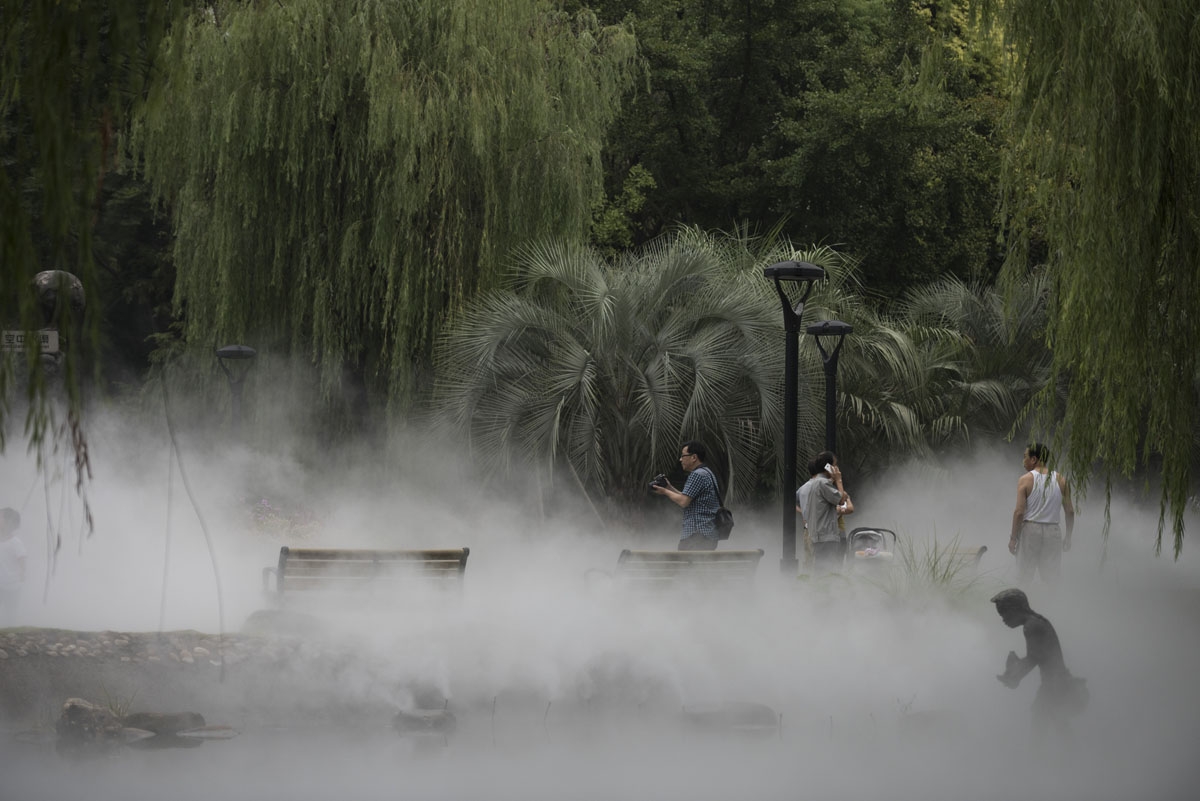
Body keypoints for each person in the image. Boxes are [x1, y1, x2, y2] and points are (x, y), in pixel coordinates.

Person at [991, 588, 1088, 741]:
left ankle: (1038, 761)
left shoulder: (1031, 626)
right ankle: (1069, 759)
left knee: (1040, 727)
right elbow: (1038, 656)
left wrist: (1013, 676)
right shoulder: (1038, 621)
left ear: (1016, 609)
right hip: (1058, 682)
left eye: (1004, 613)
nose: (1003, 619)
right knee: (1058, 724)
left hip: (1054, 685)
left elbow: (1033, 659)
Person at [1010, 443, 1074, 584]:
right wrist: (1068, 537)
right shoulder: (1061, 479)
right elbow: (1070, 511)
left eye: (1025, 457)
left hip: (1030, 530)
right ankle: (1051, 604)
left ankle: (1025, 603)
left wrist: (1013, 538)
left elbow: (1019, 512)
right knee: (1051, 578)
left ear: (1034, 459)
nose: (1023, 460)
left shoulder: (1025, 480)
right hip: (1053, 531)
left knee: (1024, 576)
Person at [653, 441, 721, 551]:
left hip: (696, 536)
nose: (680, 459)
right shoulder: (707, 472)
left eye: (683, 456)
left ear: (694, 457)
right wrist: (669, 487)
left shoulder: (697, 475)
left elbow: (683, 502)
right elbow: (687, 497)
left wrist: (664, 492)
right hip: (708, 535)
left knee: (683, 567)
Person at [795, 451, 849, 573]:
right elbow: (841, 499)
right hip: (826, 536)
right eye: (835, 465)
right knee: (827, 572)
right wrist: (839, 480)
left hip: (819, 534)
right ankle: (822, 592)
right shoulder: (822, 483)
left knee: (821, 570)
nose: (837, 469)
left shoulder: (815, 483)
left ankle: (819, 590)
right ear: (827, 467)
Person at [0, 507, 26, 624]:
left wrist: (22, 573)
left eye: (1, 517)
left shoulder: (15, 542)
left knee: (11, 610)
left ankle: (11, 629)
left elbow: (22, 559)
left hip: (12, 585)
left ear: (8, 522)